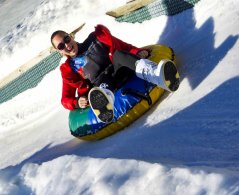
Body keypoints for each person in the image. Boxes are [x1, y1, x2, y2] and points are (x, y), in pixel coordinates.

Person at [51, 24, 180, 123]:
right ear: (60, 52)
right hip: (102, 83)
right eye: (61, 46)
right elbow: (65, 99)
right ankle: (104, 104)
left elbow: (123, 46)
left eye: (67, 39)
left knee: (118, 55)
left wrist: (138, 52)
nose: (67, 45)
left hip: (119, 70)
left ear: (71, 36)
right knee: (102, 85)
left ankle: (157, 75)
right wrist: (77, 101)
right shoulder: (70, 69)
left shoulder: (96, 39)